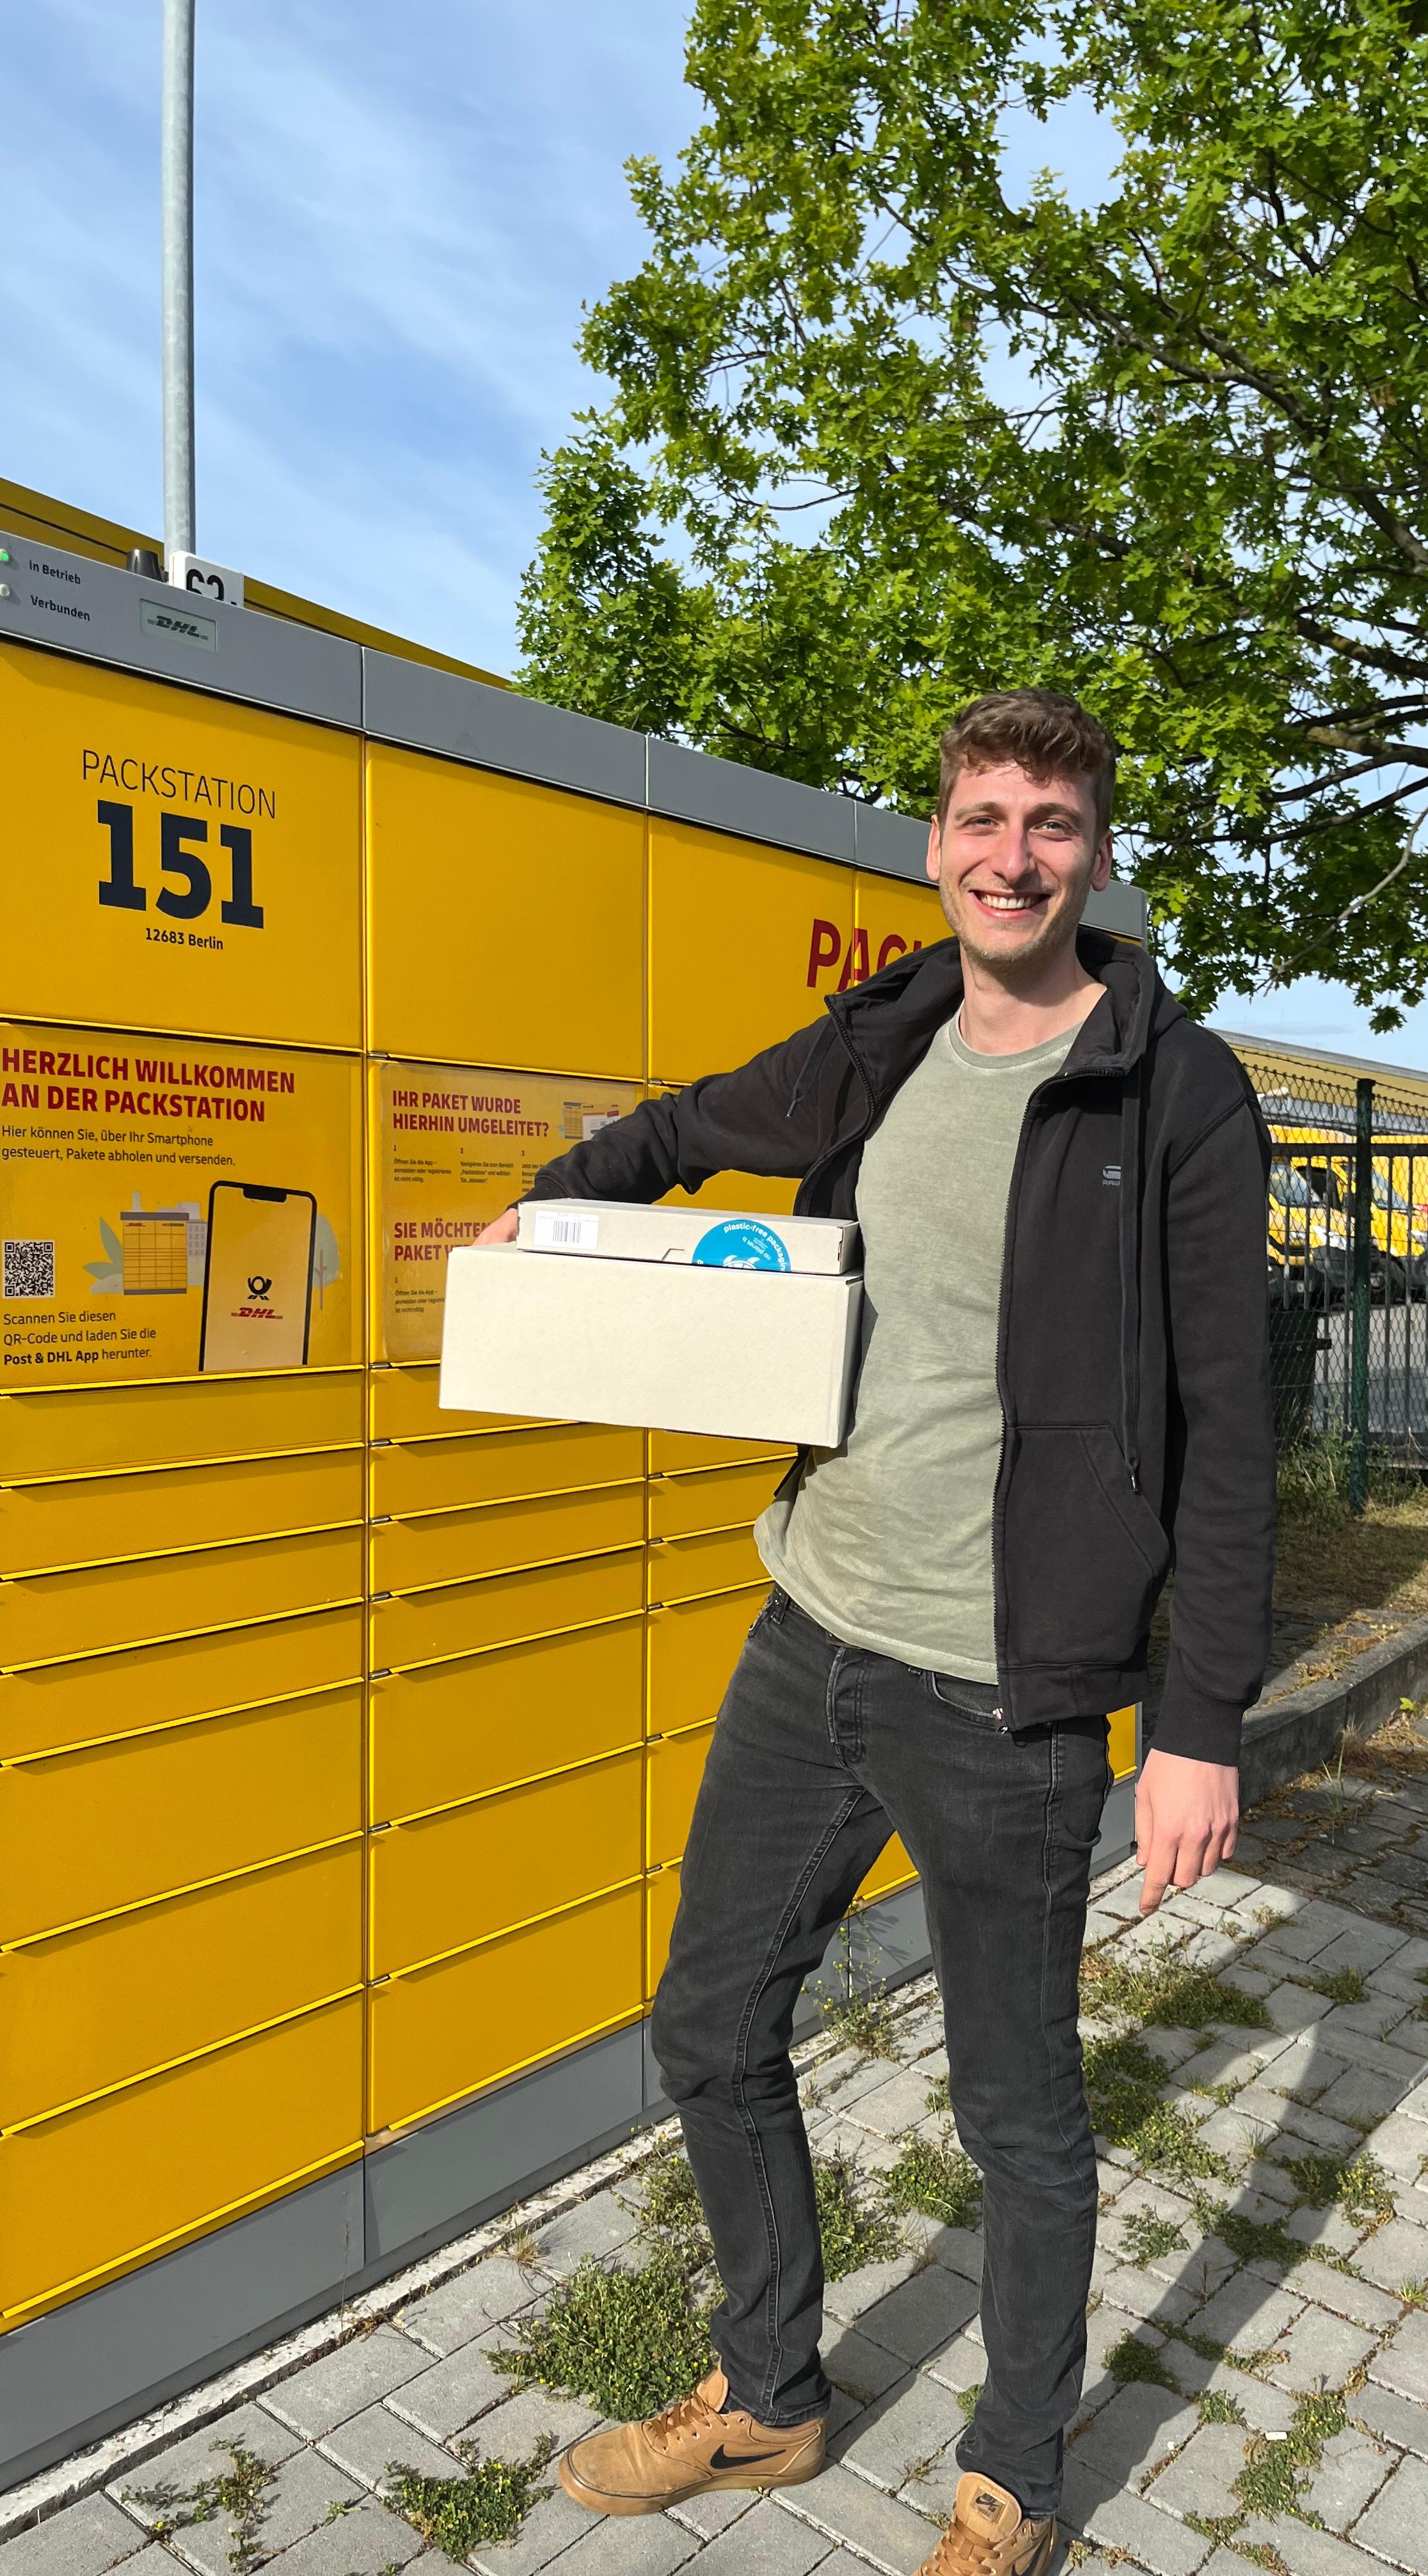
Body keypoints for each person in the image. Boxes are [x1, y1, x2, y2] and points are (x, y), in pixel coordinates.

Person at [475, 690, 1274, 2576]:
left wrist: (1200, 1725)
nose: (1013, 856)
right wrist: (551, 1214)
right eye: (982, 818)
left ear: (1096, 855)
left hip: (1008, 1687)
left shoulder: (1171, 1085)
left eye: (1052, 824)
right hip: (812, 1627)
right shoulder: (889, 1031)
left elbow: (1231, 1422)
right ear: (936, 845)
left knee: (1019, 2118)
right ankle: (769, 2390)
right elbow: (696, 1125)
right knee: (708, 2026)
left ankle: (1016, 2477)